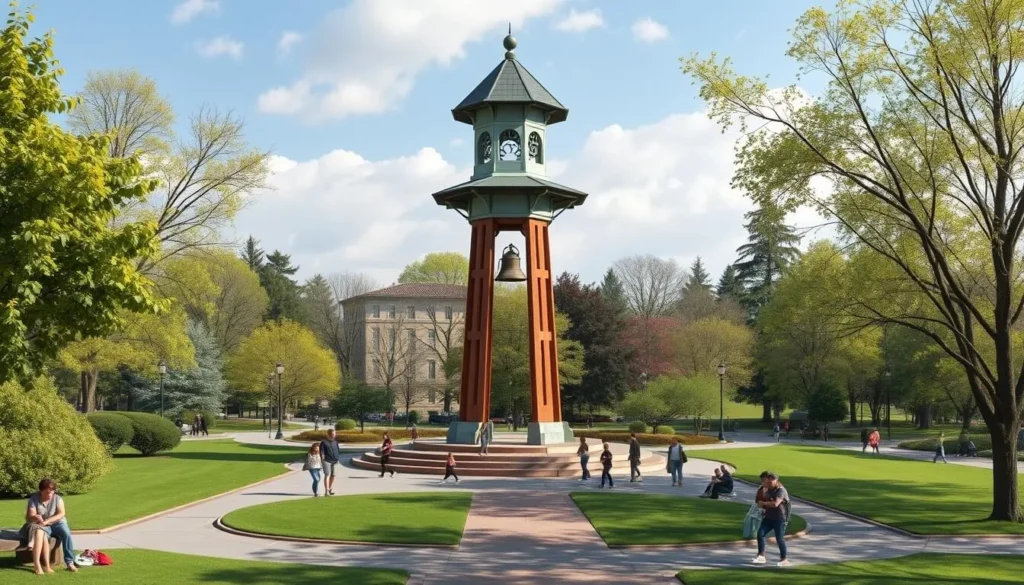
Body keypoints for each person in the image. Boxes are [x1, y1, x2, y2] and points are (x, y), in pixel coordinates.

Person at [21, 478, 77, 573]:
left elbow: (61, 514)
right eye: (47, 492)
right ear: (41, 491)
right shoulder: (34, 499)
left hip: (57, 523)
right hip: (41, 525)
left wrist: (47, 521)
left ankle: (70, 562)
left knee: (66, 533)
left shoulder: (57, 498)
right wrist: (36, 517)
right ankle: (42, 565)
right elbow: (29, 516)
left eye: (52, 492)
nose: (50, 495)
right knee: (41, 535)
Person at [751, 471, 791, 567]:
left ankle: (784, 559)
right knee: (760, 533)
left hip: (780, 518)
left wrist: (763, 503)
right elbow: (763, 501)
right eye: (767, 482)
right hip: (769, 517)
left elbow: (776, 504)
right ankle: (761, 556)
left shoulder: (781, 490)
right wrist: (762, 506)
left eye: (770, 482)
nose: (767, 484)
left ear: (775, 481)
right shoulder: (768, 489)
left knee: (779, 539)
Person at [319, 429, 342, 496]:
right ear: (328, 434)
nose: (334, 435)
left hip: (334, 461)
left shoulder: (335, 442)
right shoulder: (324, 442)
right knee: (327, 474)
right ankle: (326, 491)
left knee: (333, 475)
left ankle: (330, 488)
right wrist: (322, 460)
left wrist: (337, 458)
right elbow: (322, 452)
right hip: (326, 461)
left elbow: (337, 450)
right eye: (332, 434)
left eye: (334, 434)